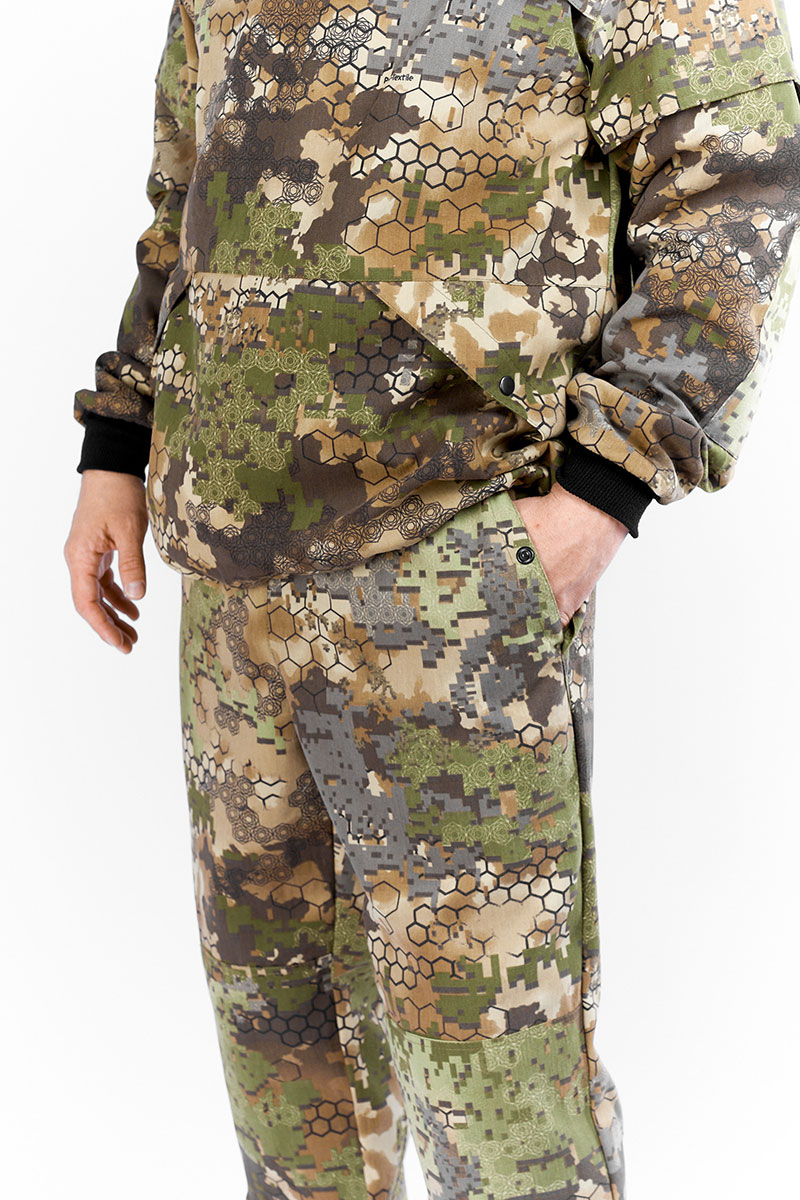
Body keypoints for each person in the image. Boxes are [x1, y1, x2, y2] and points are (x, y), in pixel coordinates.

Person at [64, 2, 800, 1197]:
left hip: (453, 559)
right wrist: (119, 439)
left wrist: (604, 488)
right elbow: (187, 192)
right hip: (234, 566)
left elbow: (734, 175)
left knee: (498, 1089)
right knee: (284, 1062)